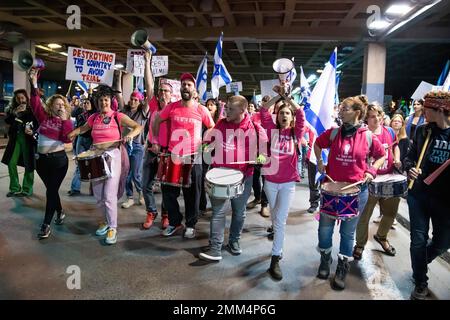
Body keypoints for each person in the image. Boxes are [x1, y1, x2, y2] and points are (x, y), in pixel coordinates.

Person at [314, 95, 385, 290]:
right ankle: (325, 259)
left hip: (356, 192)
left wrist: (371, 171)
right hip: (330, 189)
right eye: (341, 108)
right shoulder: (334, 133)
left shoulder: (368, 136)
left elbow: (381, 156)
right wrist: (320, 161)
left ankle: (342, 266)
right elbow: (317, 144)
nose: (341, 111)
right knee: (324, 231)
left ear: (357, 113)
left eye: (345, 108)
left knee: (347, 233)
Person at [68, 85, 142, 245]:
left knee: (109, 195)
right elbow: (84, 128)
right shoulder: (93, 118)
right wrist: (75, 132)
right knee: (98, 195)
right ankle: (105, 220)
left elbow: (138, 127)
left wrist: (130, 135)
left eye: (106, 100)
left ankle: (113, 228)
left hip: (113, 156)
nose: (103, 103)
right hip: (95, 156)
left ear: (111, 100)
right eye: (100, 100)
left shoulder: (118, 116)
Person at [199, 95, 268, 261]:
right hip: (220, 175)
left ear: (243, 110)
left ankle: (234, 241)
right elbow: (208, 142)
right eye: (226, 107)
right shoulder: (221, 123)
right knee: (218, 213)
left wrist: (260, 159)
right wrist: (205, 146)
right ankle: (215, 248)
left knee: (239, 212)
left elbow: (264, 155)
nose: (226, 111)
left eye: (231, 109)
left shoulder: (257, 129)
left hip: (244, 177)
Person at [152, 73, 214, 238]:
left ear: (194, 90)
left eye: (189, 84)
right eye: (183, 84)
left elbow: (212, 127)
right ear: (180, 88)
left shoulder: (201, 109)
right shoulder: (172, 107)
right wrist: (156, 141)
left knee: (193, 194)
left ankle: (191, 225)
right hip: (174, 155)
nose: (186, 87)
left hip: (194, 156)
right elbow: (157, 120)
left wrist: (207, 143)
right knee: (168, 192)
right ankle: (174, 222)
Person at [404, 91, 450, 300]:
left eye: (427, 110)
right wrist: (410, 168)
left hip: (445, 199)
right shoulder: (423, 131)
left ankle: (420, 262)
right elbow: (409, 158)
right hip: (419, 194)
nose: (423, 113)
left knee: (442, 243)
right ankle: (420, 280)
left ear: (440, 110)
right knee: (418, 239)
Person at [259, 88, 305, 280]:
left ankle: (275, 257)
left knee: (280, 219)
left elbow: (301, 113)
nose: (284, 115)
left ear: (291, 117)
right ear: (276, 116)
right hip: (270, 181)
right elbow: (263, 111)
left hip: (288, 184)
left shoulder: (296, 132)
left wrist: (288, 99)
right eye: (281, 113)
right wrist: (279, 97)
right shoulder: (271, 130)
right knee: (276, 215)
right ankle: (277, 235)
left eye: (287, 113)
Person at [28, 70, 74, 239]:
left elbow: (66, 138)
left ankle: (46, 224)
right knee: (52, 190)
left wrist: (64, 120)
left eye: (63, 104)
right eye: (57, 104)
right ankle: (60, 211)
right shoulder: (43, 117)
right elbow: (34, 102)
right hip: (41, 161)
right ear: (50, 105)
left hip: (59, 161)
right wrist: (33, 82)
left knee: (51, 191)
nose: (61, 106)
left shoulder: (67, 121)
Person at [354, 104, 402, 260]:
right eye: (372, 116)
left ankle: (382, 236)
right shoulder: (362, 134)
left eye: (379, 115)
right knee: (364, 216)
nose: (376, 119)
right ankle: (360, 244)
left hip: (388, 177)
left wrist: (397, 158)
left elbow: (396, 146)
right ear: (366, 118)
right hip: (369, 180)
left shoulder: (388, 131)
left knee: (390, 213)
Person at [115, 60, 151, 209]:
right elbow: (118, 94)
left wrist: (146, 66)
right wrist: (118, 77)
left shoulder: (143, 112)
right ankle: (130, 197)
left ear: (141, 101)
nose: (133, 101)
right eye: (132, 98)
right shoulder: (124, 110)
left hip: (137, 146)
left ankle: (141, 192)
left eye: (136, 99)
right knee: (125, 173)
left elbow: (149, 93)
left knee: (135, 174)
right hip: (124, 145)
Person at [142, 70, 173, 229]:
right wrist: (148, 63)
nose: (162, 93)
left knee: (165, 187)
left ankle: (165, 215)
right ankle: (151, 212)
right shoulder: (154, 105)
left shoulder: (174, 109)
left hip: (166, 153)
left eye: (166, 90)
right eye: (160, 90)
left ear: (171, 94)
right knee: (145, 184)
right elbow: (148, 85)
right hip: (150, 151)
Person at [2, 89, 38, 197]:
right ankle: (14, 188)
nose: (20, 100)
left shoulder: (32, 110)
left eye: (22, 97)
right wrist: (15, 113)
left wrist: (33, 131)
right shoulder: (13, 109)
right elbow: (7, 121)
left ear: (26, 98)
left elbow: (38, 124)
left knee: (29, 164)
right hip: (15, 139)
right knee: (11, 162)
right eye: (18, 98)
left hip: (28, 139)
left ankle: (27, 189)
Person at [68, 96, 96, 196]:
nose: (85, 104)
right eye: (84, 103)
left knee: (93, 164)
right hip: (80, 139)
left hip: (91, 140)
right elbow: (72, 114)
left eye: (87, 103)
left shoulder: (95, 115)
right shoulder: (80, 114)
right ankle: (75, 188)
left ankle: (94, 190)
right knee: (80, 164)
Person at [199, 97, 222, 215]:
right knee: (200, 179)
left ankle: (215, 206)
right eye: (207, 104)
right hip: (203, 153)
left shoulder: (221, 121)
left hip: (217, 154)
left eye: (212, 104)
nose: (209, 107)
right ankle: (201, 206)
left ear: (217, 107)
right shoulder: (202, 121)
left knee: (214, 181)